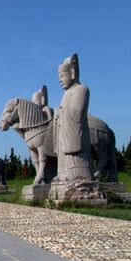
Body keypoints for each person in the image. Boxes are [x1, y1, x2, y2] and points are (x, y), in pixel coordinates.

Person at [53, 54, 93, 182]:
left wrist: (61, 112)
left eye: (62, 76)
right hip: (64, 133)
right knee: (63, 159)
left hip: (74, 132)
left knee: (76, 162)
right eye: (59, 77)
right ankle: (62, 173)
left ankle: (77, 175)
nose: (60, 80)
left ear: (72, 73)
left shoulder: (81, 90)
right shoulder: (66, 94)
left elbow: (77, 114)